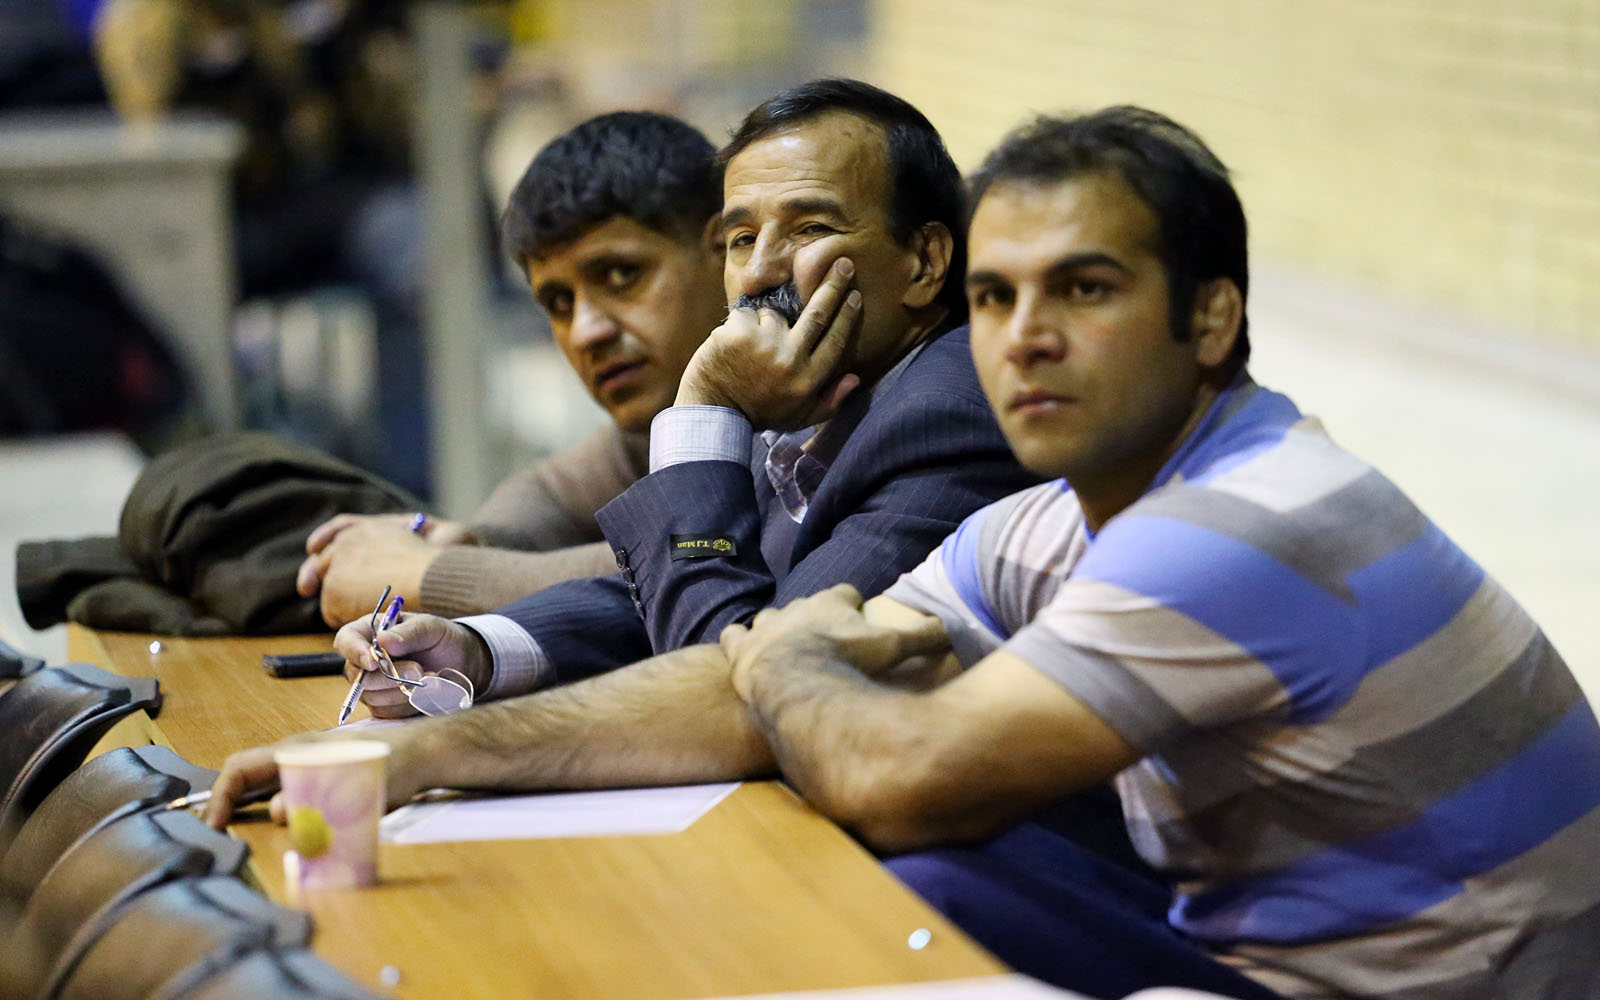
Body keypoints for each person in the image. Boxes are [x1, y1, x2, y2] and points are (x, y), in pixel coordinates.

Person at [712, 108, 1600, 999]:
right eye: (996, 298)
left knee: (917, 889)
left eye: (1084, 289)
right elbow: (736, 691)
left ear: (1211, 317)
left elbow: (893, 776)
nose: (1026, 337)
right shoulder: (1058, 519)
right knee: (927, 874)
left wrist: (781, 660)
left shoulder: (1242, 526)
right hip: (1252, 954)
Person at [202, 80, 1041, 822]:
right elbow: (662, 591)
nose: (760, 274)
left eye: (810, 227)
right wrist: (478, 650)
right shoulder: (833, 379)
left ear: (925, 260)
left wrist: (705, 410)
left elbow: (740, 680)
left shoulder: (946, 414)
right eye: (742, 238)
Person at [295, 110, 727, 626]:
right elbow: (554, 493)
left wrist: (426, 575)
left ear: (726, 249)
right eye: (559, 302)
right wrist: (470, 541)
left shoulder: (794, 403)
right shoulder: (662, 419)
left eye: (620, 275)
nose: (586, 332)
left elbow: (701, 562)